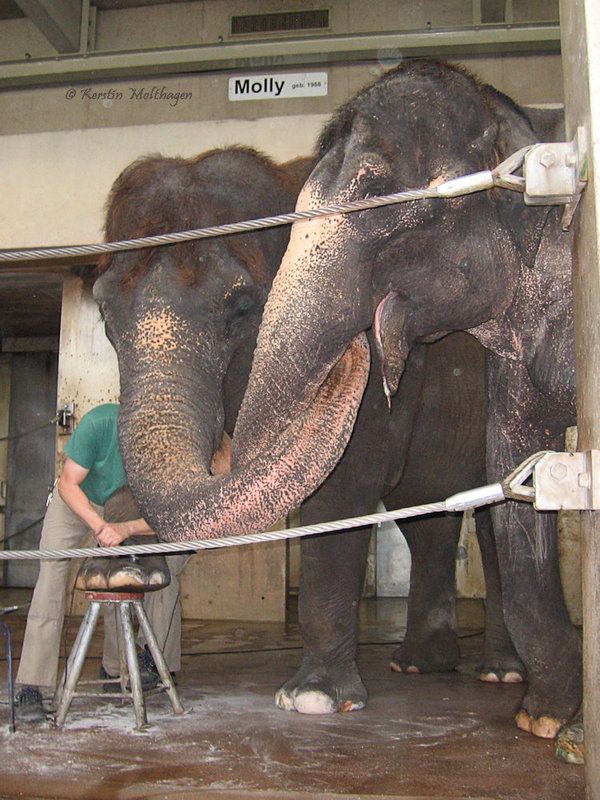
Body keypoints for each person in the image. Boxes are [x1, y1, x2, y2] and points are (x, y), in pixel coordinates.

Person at [14, 403, 188, 722]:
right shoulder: (99, 424)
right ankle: (31, 687)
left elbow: (170, 515)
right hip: (77, 500)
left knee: (166, 569)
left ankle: (134, 665)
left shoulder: (165, 448)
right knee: (52, 576)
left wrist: (125, 529)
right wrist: (99, 527)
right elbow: (68, 483)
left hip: (123, 507)